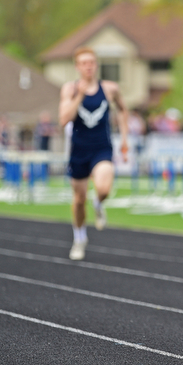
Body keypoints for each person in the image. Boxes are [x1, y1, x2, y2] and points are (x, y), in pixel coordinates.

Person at [58, 47, 128, 260]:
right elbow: (64, 119)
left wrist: (125, 138)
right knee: (79, 200)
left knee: (104, 188)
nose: (88, 66)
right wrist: (79, 95)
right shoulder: (69, 89)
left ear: (96, 64)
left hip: (102, 148)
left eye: (91, 62)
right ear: (77, 67)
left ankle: (98, 203)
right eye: (84, 63)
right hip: (79, 150)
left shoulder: (109, 89)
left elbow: (123, 110)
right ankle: (79, 238)